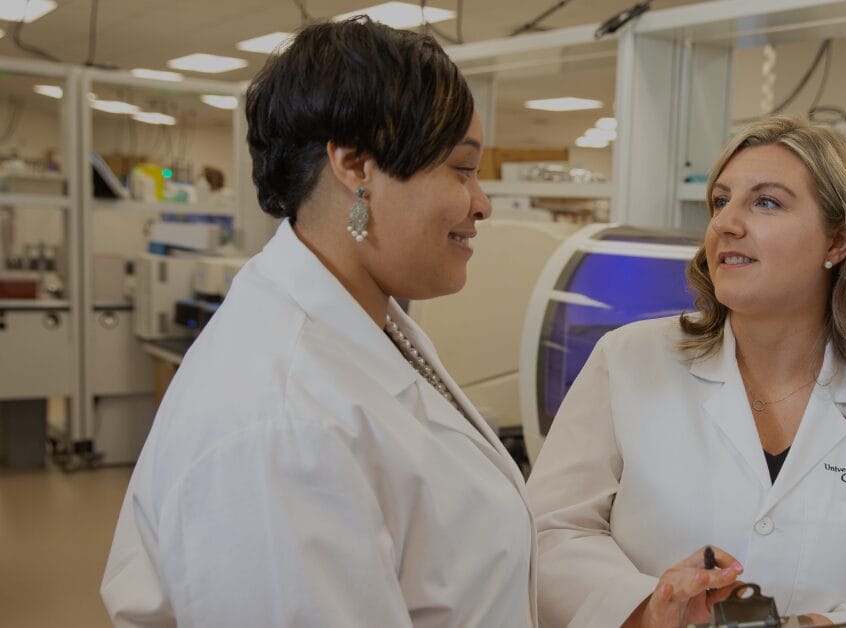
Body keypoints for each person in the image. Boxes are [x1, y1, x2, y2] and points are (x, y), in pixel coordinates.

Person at [101, 19, 536, 627]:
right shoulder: (282, 422)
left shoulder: (363, 325)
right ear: (356, 164)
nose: (482, 202)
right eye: (461, 169)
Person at [527, 116, 846, 627]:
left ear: (837, 241)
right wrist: (645, 609)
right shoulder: (628, 360)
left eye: (766, 202)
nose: (726, 223)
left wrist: (826, 627)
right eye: (721, 201)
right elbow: (548, 534)